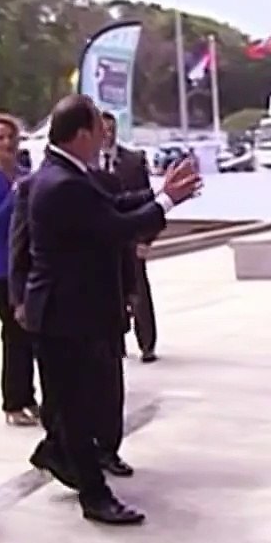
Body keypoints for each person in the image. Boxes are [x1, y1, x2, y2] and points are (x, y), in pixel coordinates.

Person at [23, 94, 201, 525]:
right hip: (65, 315)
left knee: (71, 405)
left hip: (72, 312)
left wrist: (161, 192)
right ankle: (94, 496)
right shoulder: (62, 183)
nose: (105, 136)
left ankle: (57, 455)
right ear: (82, 134)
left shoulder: (71, 174)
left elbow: (112, 204)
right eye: (99, 130)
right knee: (79, 408)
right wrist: (167, 204)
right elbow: (115, 227)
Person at [0, 114, 40, 426]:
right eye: (0, 138)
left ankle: (29, 396)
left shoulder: (27, 175)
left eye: (11, 137)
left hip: (26, 262)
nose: (6, 143)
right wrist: (15, 192)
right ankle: (13, 401)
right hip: (0, 266)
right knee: (13, 332)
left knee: (30, 333)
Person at [100, 111, 160, 363]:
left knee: (138, 291)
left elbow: (147, 200)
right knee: (109, 293)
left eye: (111, 129)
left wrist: (146, 240)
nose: (108, 134)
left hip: (131, 238)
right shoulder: (88, 164)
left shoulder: (133, 161)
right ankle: (116, 342)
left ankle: (147, 343)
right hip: (103, 240)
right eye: (103, 129)